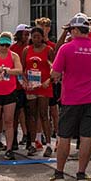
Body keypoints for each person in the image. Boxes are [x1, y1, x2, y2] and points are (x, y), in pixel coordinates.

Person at [50, 13, 91, 181]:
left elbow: (54, 73)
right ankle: (81, 174)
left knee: (64, 137)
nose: (70, 33)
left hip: (70, 99)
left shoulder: (66, 49)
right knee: (86, 137)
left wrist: (64, 75)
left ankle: (59, 174)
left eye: (71, 30)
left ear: (77, 30)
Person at [0, 33, 23, 160]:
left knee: (9, 121)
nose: (5, 47)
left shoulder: (14, 56)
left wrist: (7, 70)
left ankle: (9, 148)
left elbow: (19, 70)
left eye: (7, 45)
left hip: (9, 91)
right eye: (3, 44)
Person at [22, 27, 54, 157]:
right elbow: (22, 69)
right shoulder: (26, 50)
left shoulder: (48, 50)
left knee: (44, 114)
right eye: (34, 37)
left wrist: (48, 80)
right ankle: (33, 143)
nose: (36, 39)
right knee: (31, 115)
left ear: (42, 37)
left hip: (44, 86)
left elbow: (54, 67)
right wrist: (25, 81)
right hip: (31, 86)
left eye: (38, 37)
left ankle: (49, 144)